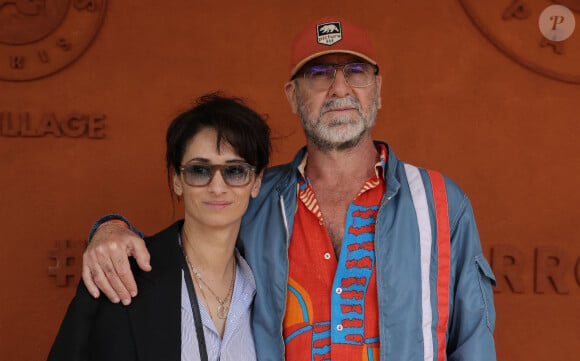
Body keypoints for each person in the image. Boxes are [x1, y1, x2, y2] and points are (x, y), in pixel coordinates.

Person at [81, 16, 497, 361]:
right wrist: (111, 229)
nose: (339, 89)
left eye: (355, 72)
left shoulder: (441, 202)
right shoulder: (257, 198)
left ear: (378, 88)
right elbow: (189, 246)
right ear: (293, 96)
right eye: (319, 74)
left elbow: (474, 342)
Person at [47, 93, 271, 361]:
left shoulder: (270, 283)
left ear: (256, 182)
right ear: (177, 179)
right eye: (200, 170)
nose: (217, 186)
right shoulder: (120, 277)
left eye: (235, 171)